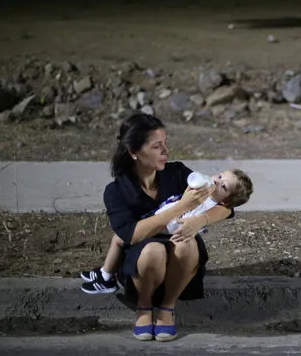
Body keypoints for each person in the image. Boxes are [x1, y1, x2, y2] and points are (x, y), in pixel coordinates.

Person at [81, 112, 253, 342]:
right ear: (134, 152)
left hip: (180, 268)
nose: (166, 151)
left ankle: (166, 309)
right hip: (141, 267)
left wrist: (197, 221)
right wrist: (182, 206)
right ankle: (144, 308)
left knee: (186, 243)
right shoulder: (116, 192)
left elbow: (225, 207)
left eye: (166, 143)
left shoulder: (177, 172)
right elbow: (131, 235)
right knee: (153, 250)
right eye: (156, 146)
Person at [80, 168, 253, 293]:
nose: (217, 181)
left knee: (119, 239)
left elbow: (184, 221)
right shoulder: (205, 190)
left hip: (163, 227)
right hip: (157, 217)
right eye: (220, 175)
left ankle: (106, 277)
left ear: (226, 201)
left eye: (223, 186)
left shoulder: (208, 204)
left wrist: (164, 224)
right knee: (119, 238)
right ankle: (105, 272)